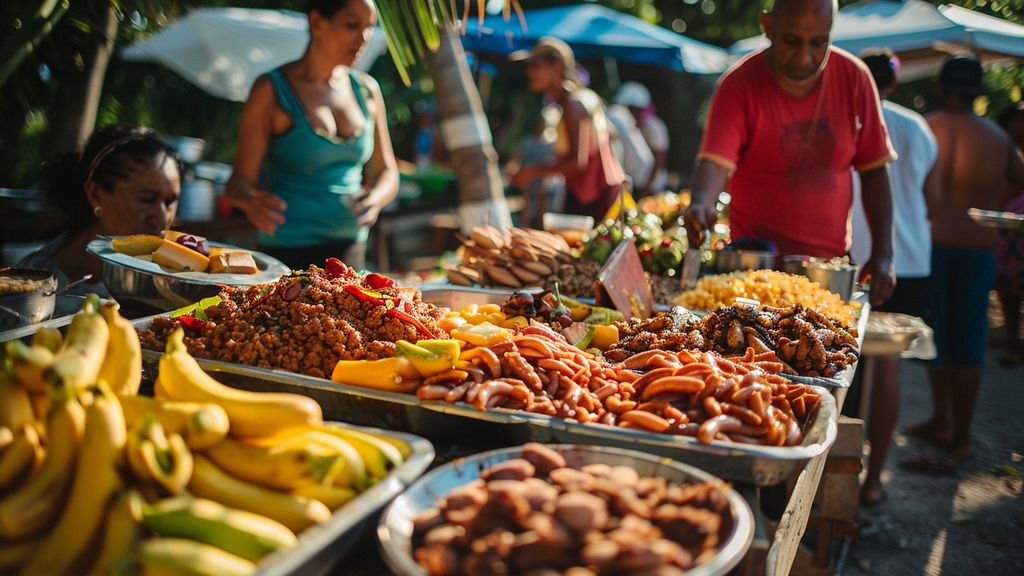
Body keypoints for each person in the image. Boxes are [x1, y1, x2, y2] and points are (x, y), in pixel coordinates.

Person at [683, 0, 896, 307]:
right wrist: (701, 203)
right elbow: (715, 162)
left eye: (818, 42)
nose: (804, 57)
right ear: (767, 26)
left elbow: (875, 170)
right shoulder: (738, 84)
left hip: (828, 272)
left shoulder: (855, 78)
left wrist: (884, 252)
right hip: (753, 276)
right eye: (792, 41)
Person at [908, 55, 1024, 460]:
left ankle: (943, 419)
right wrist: (992, 203)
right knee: (968, 342)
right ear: (978, 91)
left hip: (933, 245)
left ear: (942, 87)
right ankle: (959, 434)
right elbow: (1018, 179)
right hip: (977, 247)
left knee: (937, 338)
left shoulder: (928, 129)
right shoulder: (997, 136)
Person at [227, 0, 399, 271]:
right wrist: (251, 201)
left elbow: (388, 171)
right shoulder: (271, 89)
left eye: (369, 28)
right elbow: (237, 183)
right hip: (286, 251)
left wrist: (375, 199)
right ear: (317, 23)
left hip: (351, 249)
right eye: (352, 25)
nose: (363, 38)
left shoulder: (367, 90)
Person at [848, 49, 939, 506]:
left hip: (859, 256)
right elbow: (931, 197)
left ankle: (839, 474)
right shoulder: (919, 128)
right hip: (912, 259)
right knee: (888, 367)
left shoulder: (851, 116)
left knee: (846, 367)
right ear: (895, 84)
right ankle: (874, 479)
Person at [19, 125, 182, 298]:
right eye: (146, 199)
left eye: (170, 201)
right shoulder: (32, 283)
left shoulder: (169, 275)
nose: (162, 218)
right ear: (95, 195)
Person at [508, 37, 625, 221]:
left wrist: (530, 173)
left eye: (536, 66)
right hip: (591, 194)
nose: (530, 72)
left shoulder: (574, 103)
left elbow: (576, 163)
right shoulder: (573, 102)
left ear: (556, 67)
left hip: (595, 198)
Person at [994, 102, 1024, 365]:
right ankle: (1014, 344)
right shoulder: (1000, 145)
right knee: (1010, 293)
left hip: (1012, 232)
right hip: (1009, 236)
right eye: (1019, 120)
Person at [613, 82, 669, 196]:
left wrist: (648, 188)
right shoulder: (628, 126)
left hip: (653, 187)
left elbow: (660, 159)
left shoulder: (654, 127)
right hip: (636, 184)